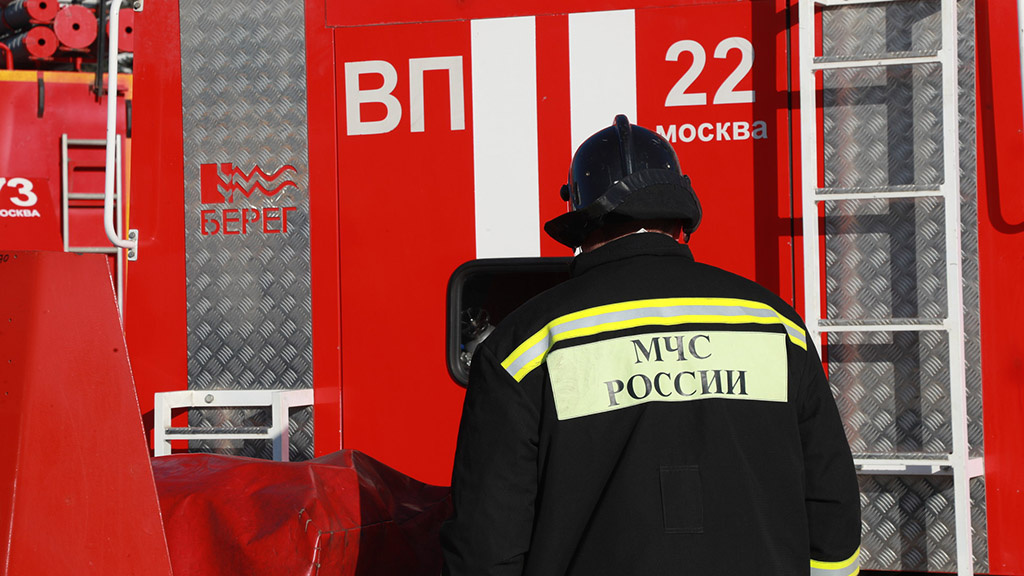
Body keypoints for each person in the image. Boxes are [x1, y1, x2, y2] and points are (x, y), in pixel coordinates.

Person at [441, 115, 861, 576]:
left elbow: (486, 541)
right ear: (679, 217)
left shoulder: (523, 347)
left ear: (581, 222)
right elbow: (832, 505)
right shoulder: (775, 325)